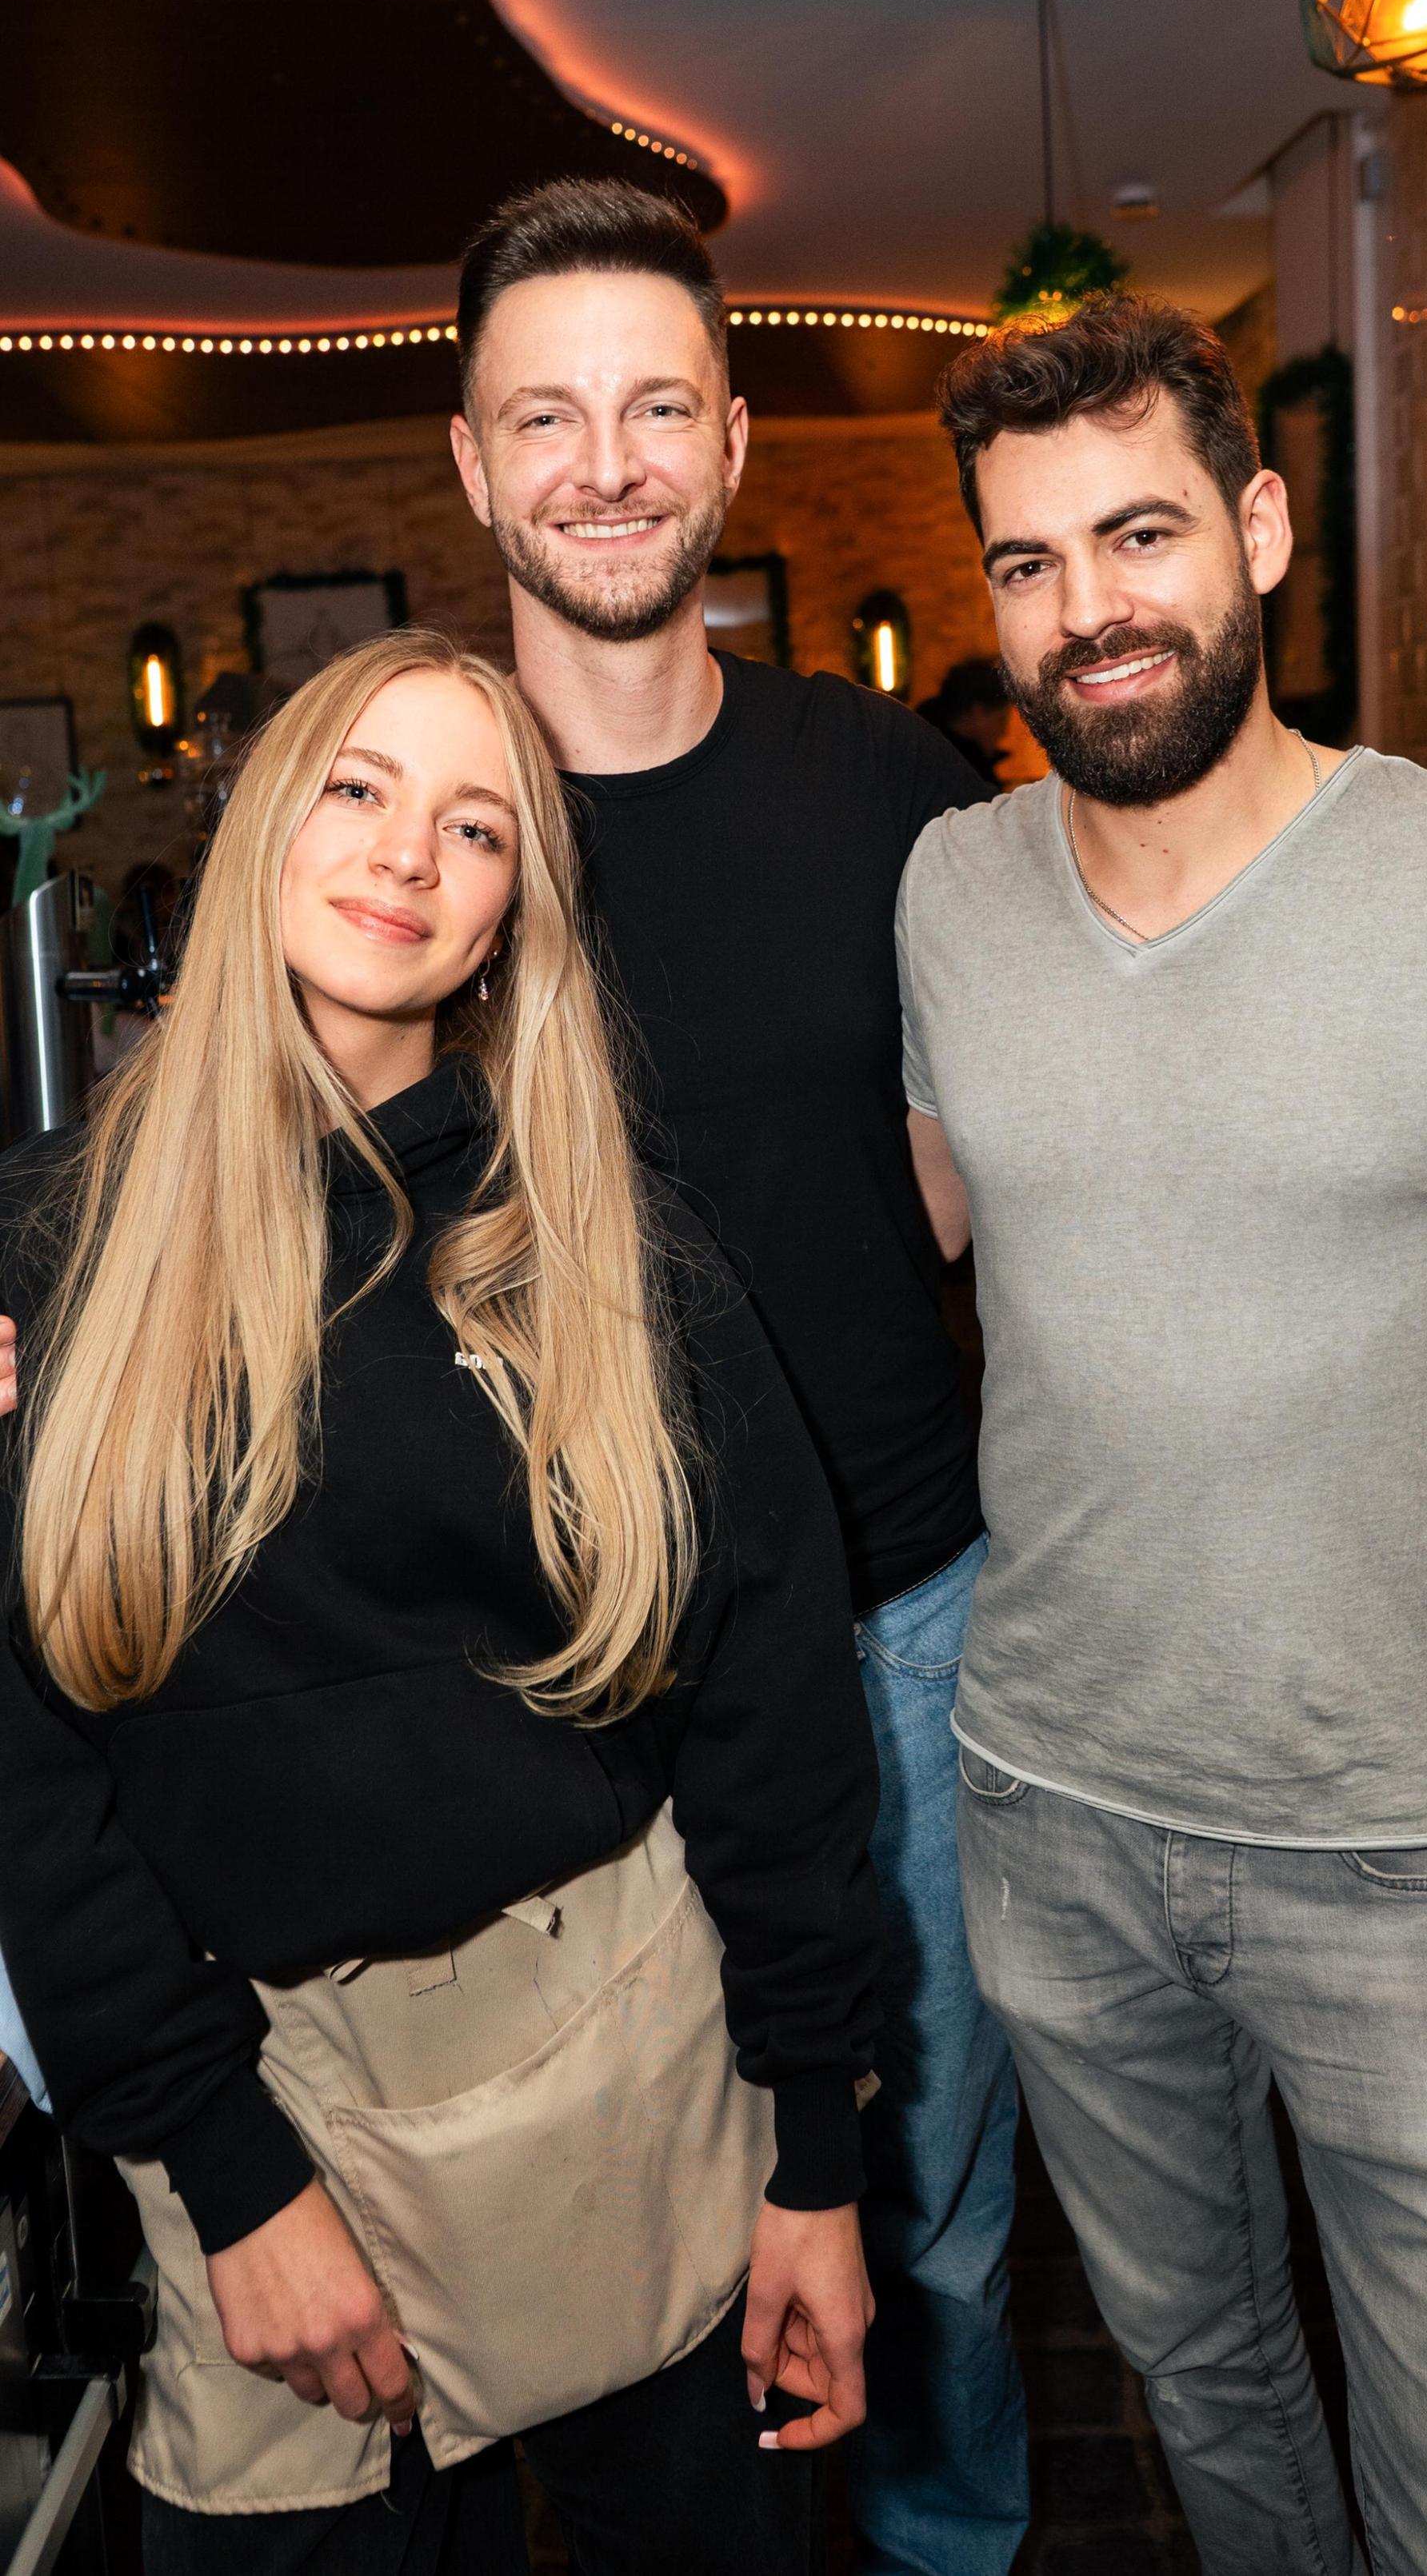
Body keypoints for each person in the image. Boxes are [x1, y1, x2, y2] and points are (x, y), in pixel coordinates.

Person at [0, 628, 881, 2575]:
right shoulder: (49, 1255)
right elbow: (31, 1781)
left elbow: (770, 1714)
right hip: (271, 2113)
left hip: (638, 2074)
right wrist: (229, 2179)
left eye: (475, 825)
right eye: (358, 788)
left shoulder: (607, 1240)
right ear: (259, 827)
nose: (408, 851)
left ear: (507, 917)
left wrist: (813, 2157)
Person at [897, 292, 1427, 2574]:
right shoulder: (953, 890)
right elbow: (916, 1223)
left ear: (1259, 530)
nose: (1091, 609)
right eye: (1031, 561)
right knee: (1211, 2400)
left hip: (1402, 1838)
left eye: (1141, 533)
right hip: (1055, 1808)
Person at [446, 178, 1029, 2576]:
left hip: (903, 1637)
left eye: (654, 407)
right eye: (546, 416)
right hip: (539, 1678)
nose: (605, 462)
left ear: (734, 444)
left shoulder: (887, 788)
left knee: (930, 2231)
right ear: (471, 464)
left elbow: (976, 1169)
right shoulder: (404, 808)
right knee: (604, 2271)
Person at [915, 657, 1012, 786]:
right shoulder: (962, 774)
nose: (1004, 731)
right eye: (1001, 720)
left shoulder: (920, 740)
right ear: (978, 712)